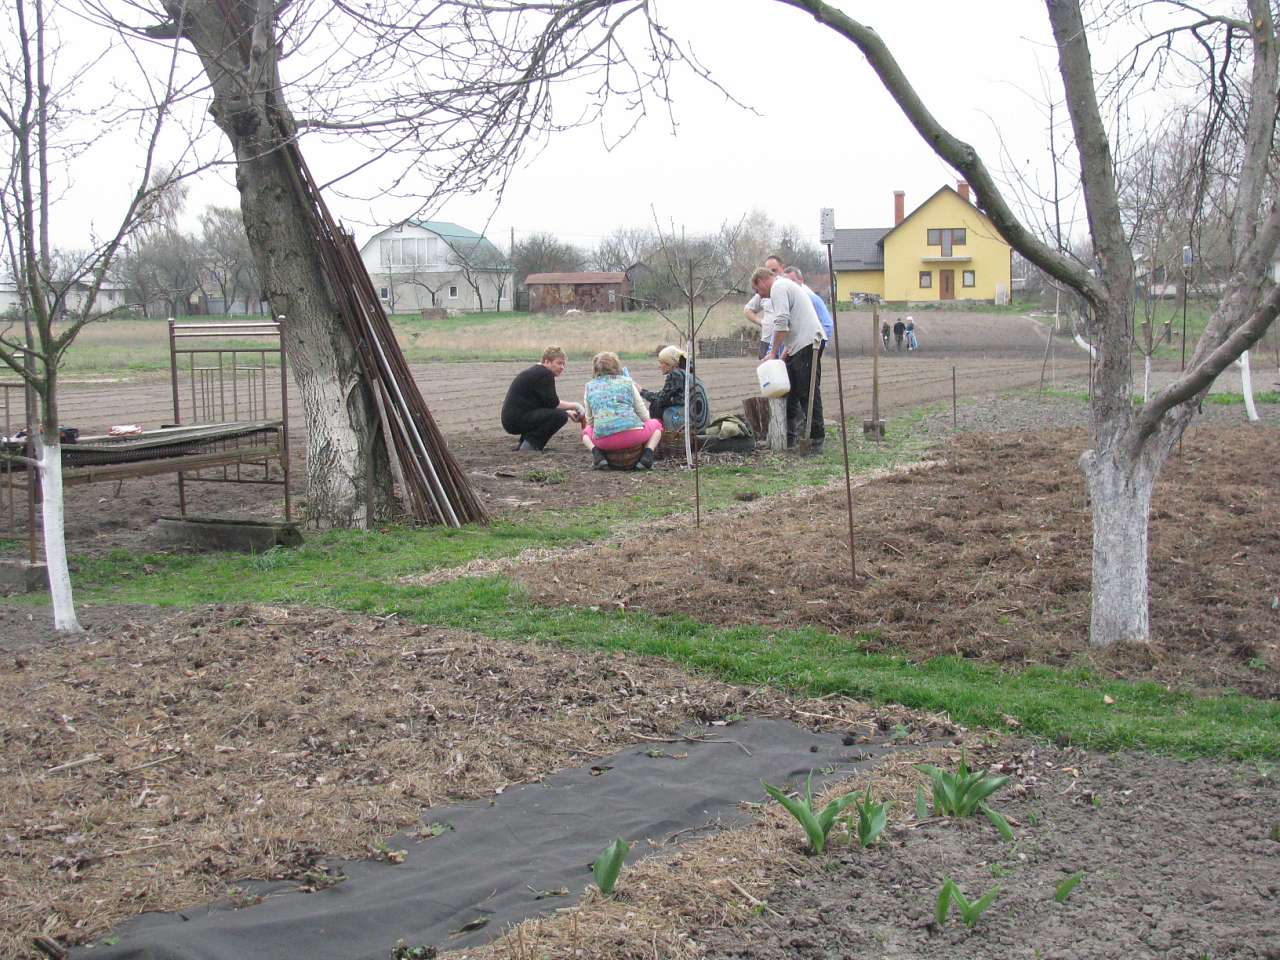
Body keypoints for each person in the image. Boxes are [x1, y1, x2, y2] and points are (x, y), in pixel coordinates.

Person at [750, 266, 825, 450]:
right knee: (790, 392)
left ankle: (815, 438)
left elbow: (782, 321)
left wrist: (774, 352)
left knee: (808, 392)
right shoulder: (782, 288)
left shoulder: (778, 287)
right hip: (797, 345)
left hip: (809, 343)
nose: (759, 296)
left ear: (762, 281)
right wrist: (783, 356)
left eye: (757, 290)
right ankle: (789, 439)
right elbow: (791, 326)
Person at [581, 351, 664, 470]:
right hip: (634, 436)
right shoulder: (627, 382)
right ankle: (647, 454)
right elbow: (644, 414)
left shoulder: (589, 387)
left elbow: (590, 420)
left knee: (586, 433)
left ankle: (598, 455)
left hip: (605, 441)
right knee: (657, 426)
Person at [500, 346, 584, 451]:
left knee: (559, 414)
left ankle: (524, 444)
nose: (562, 367)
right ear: (547, 361)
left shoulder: (536, 371)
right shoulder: (545, 374)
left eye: (563, 364)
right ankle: (531, 446)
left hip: (511, 420)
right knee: (560, 416)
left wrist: (568, 411)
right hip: (516, 420)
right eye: (559, 363)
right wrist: (576, 406)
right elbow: (554, 404)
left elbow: (547, 404)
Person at [640, 345, 708, 432]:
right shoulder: (688, 374)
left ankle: (660, 433)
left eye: (661, 363)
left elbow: (661, 399)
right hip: (701, 422)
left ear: (670, 364)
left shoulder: (676, 374)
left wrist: (641, 391)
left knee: (655, 406)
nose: (659, 366)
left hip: (689, 422)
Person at [742, 253, 787, 359]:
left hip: (784, 342)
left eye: (774, 270)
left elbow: (783, 320)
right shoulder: (762, 292)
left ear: (782, 268)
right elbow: (747, 310)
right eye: (768, 270)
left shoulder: (784, 287)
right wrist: (761, 322)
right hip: (767, 340)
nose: (771, 273)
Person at [783, 266, 833, 357]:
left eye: (793, 280)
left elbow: (827, 324)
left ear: (801, 280)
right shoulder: (785, 302)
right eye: (787, 282)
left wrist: (814, 345)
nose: (790, 285)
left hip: (806, 350)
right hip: (789, 351)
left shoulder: (813, 299)